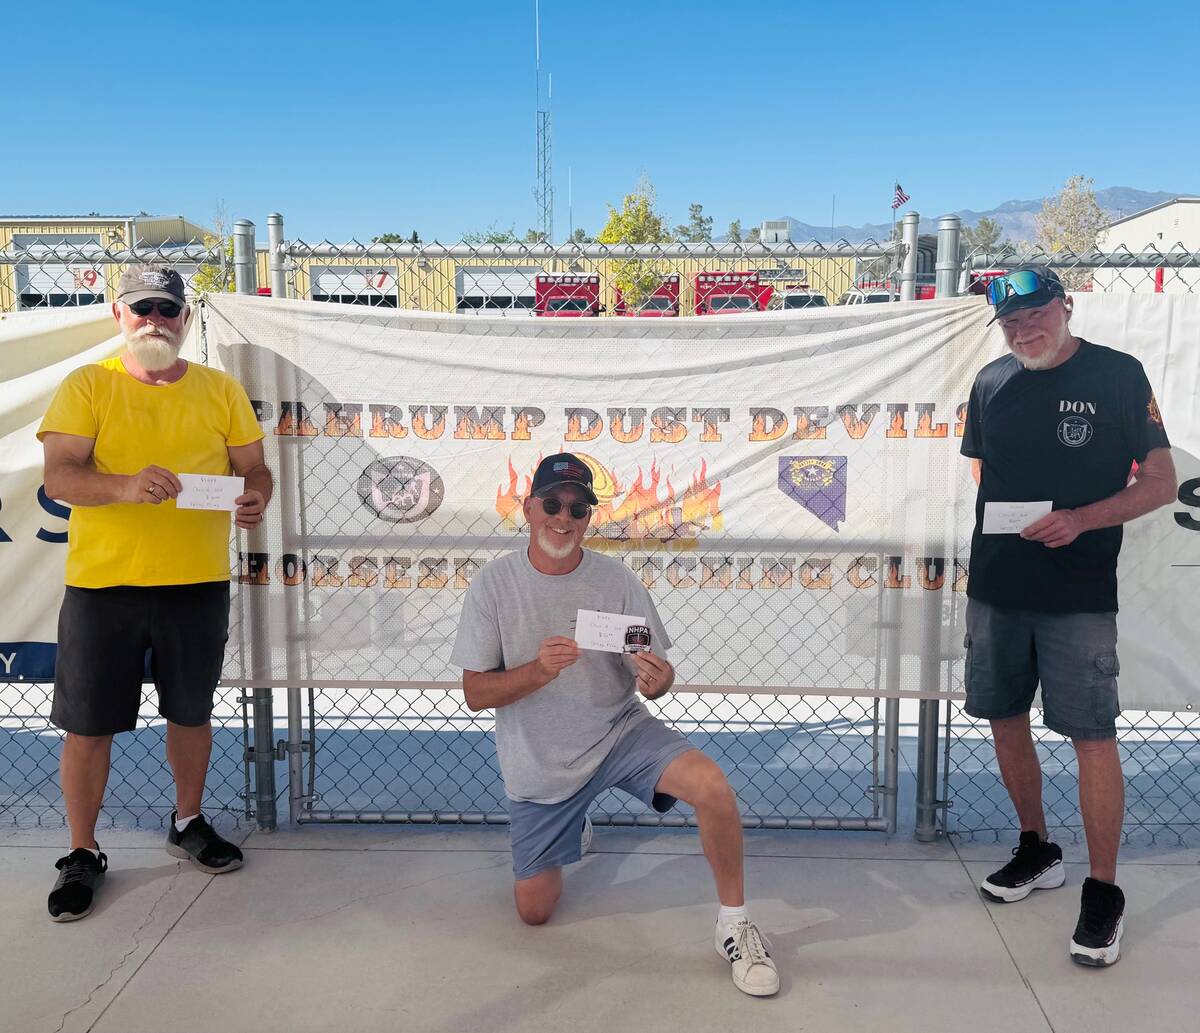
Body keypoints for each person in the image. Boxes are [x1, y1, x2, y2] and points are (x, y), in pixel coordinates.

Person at [451, 453, 780, 997]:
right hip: (542, 761)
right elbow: (474, 694)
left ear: (589, 517)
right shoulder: (493, 584)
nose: (565, 517)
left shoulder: (615, 581)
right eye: (553, 504)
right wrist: (537, 671)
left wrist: (658, 679)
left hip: (619, 732)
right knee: (534, 912)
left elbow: (649, 669)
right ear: (529, 508)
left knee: (712, 786)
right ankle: (574, 820)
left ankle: (735, 922)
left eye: (578, 508)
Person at [38, 265, 272, 922]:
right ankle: (82, 851)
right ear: (119, 314)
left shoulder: (219, 389)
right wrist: (122, 486)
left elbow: (254, 468)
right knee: (87, 728)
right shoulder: (89, 385)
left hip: (196, 586)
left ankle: (188, 819)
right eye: (141, 308)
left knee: (192, 715)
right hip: (101, 587)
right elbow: (59, 475)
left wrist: (256, 497)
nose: (155, 321)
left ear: (185, 319)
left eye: (167, 310)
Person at [961, 265, 1176, 966]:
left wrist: (1080, 519)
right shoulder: (991, 382)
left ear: (1066, 306)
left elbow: (1162, 482)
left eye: (1036, 315)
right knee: (1003, 718)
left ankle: (1104, 889)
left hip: (1078, 595)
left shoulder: (1118, 374)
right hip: (996, 587)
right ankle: (1037, 847)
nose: (1025, 331)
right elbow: (980, 469)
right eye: (1012, 323)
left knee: (1091, 735)